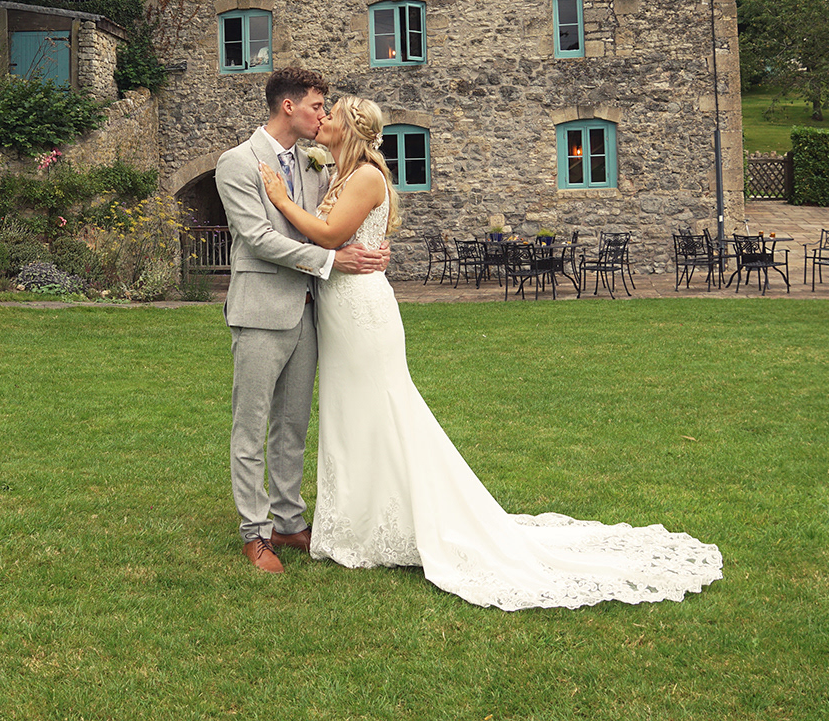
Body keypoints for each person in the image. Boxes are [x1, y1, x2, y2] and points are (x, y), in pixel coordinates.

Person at [257, 94, 723, 610]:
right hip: (339, 307)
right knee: (352, 413)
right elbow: (335, 237)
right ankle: (359, 519)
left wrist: (280, 198)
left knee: (383, 408)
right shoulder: (338, 174)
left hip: (362, 310)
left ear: (349, 127)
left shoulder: (366, 176)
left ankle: (396, 520)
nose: (322, 120)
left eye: (331, 114)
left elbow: (329, 233)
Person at [216, 67, 390, 574]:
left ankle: (290, 522)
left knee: (293, 425)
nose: (324, 113)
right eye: (318, 105)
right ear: (288, 106)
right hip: (260, 311)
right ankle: (255, 532)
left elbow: (329, 226)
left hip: (312, 311)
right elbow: (257, 238)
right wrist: (333, 261)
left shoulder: (316, 165)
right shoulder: (238, 162)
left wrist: (367, 247)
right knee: (251, 424)